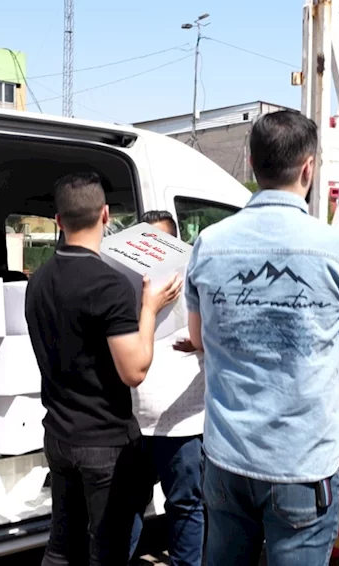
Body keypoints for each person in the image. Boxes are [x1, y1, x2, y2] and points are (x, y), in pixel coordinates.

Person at [185, 110, 339, 565]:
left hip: (227, 457)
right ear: (308, 167)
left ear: (253, 164)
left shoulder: (210, 242)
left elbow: (197, 337)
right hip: (301, 465)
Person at [25, 172, 183, 566]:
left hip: (58, 434)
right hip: (104, 443)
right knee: (107, 551)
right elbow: (134, 371)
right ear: (106, 215)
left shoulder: (38, 280)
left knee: (61, 546)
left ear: (58, 220)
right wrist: (149, 308)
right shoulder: (109, 285)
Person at [127, 209, 205, 566]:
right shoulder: (126, 282)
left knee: (185, 506)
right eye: (147, 242)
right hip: (134, 421)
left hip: (183, 424)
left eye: (161, 243)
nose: (154, 251)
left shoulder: (199, 281)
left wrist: (201, 342)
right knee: (127, 505)